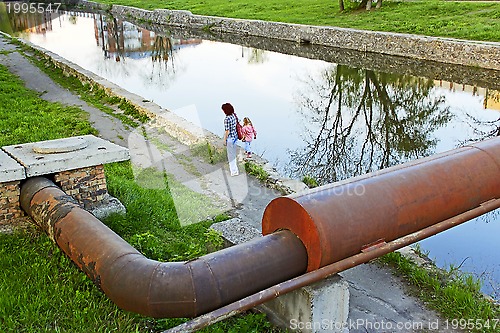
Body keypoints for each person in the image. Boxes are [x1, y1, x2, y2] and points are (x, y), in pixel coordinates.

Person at [221, 102, 239, 176]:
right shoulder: (233, 116)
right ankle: (235, 169)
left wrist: (224, 140)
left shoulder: (227, 119)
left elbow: (227, 131)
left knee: (230, 155)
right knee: (233, 154)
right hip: (235, 136)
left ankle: (234, 171)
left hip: (230, 138)